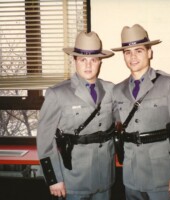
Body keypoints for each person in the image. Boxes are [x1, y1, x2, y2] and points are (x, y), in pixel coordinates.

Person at [111, 24, 170, 200]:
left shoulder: (169, 84)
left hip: (162, 174)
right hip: (131, 174)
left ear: (149, 52)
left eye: (139, 50)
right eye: (127, 52)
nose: (133, 57)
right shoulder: (117, 90)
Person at [37, 31, 115, 200]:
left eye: (93, 60)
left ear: (100, 61)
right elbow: (45, 140)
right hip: (73, 179)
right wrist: (54, 179)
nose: (88, 65)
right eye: (82, 60)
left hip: (104, 176)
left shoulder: (111, 90)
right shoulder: (57, 93)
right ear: (74, 61)